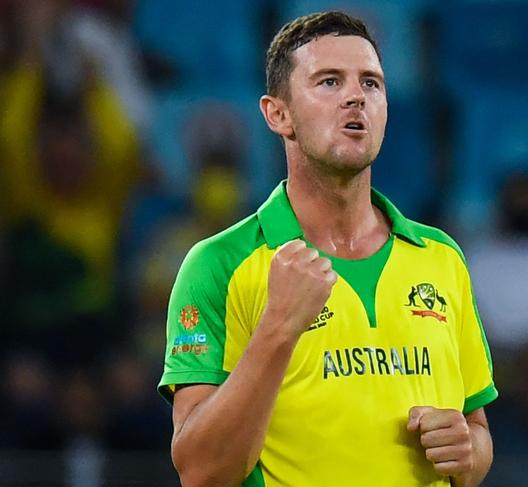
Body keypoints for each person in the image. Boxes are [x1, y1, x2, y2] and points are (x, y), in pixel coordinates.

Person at [158, 11, 497, 487]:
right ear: (279, 114)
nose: (356, 96)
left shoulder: (439, 257)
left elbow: (477, 437)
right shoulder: (219, 265)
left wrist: (468, 451)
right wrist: (278, 327)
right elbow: (201, 473)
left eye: (372, 84)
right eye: (329, 82)